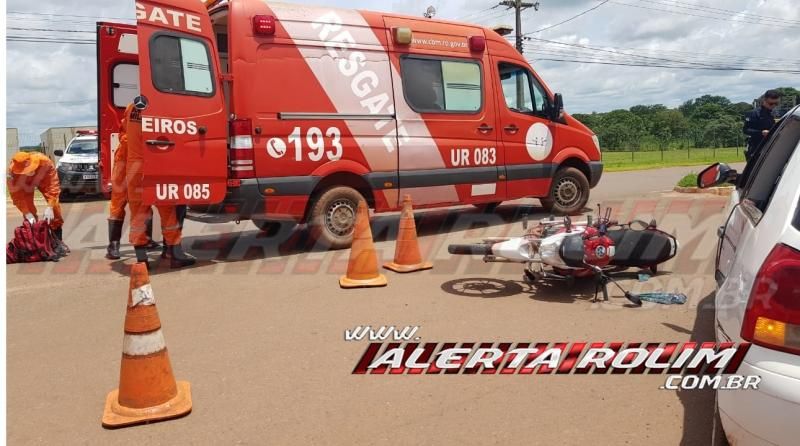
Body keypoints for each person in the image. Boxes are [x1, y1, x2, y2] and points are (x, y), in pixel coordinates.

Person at [124, 100, 196, 269]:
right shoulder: (160, 105)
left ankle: (142, 260)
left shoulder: (130, 108)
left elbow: (124, 130)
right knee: (168, 211)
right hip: (155, 163)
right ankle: (175, 254)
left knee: (138, 214)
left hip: (134, 166)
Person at [106, 105, 160, 260]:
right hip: (124, 158)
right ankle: (113, 244)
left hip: (139, 157)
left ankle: (146, 239)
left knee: (144, 198)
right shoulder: (135, 108)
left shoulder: (142, 106)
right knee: (119, 200)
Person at [7, 151, 64, 239]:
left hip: (43, 177)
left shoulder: (45, 162)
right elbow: (17, 197)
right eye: (26, 171)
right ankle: (35, 239)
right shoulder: (12, 173)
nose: (30, 171)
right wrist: (27, 213)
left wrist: (50, 207)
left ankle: (57, 238)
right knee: (29, 212)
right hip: (24, 183)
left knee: (54, 207)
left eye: (30, 168)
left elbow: (53, 187)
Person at [743, 89, 781, 162]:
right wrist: (761, 132)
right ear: (764, 100)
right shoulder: (753, 113)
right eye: (771, 103)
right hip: (756, 148)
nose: (773, 106)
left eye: (776, 103)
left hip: (771, 147)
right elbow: (746, 130)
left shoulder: (774, 113)